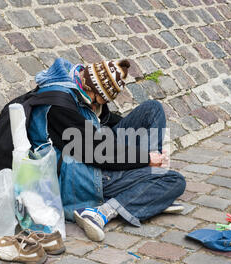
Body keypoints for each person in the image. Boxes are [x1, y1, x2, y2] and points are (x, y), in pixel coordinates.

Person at [28, 58, 186, 242]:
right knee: (175, 181)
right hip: (78, 171)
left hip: (91, 151)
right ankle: (101, 212)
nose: (98, 107)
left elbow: (106, 119)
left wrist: (147, 153)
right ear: (91, 89)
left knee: (152, 110)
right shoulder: (60, 105)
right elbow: (98, 152)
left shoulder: (78, 84)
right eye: (99, 101)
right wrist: (145, 158)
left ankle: (150, 187)